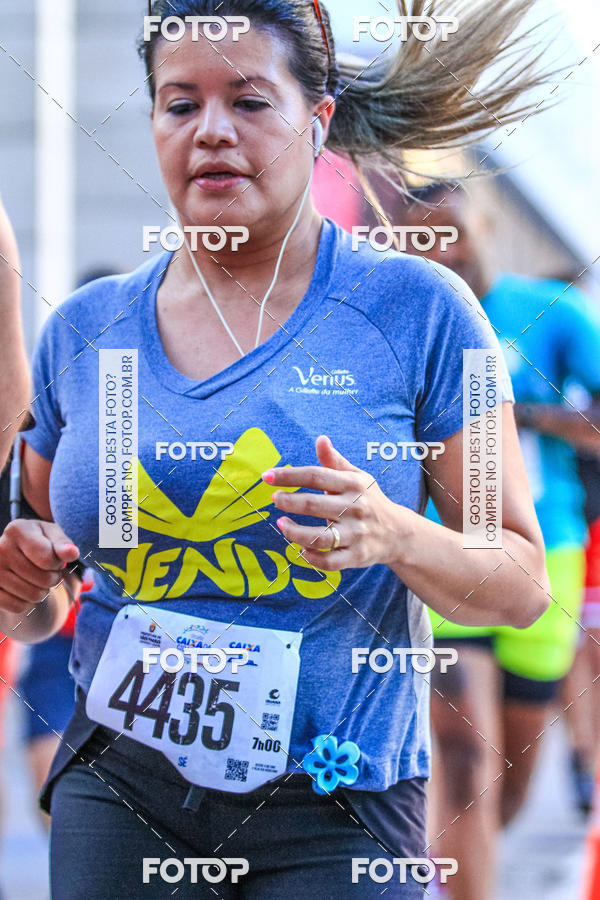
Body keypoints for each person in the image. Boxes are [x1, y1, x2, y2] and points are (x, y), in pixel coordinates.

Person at [0, 2, 554, 897]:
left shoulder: (423, 313)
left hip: (335, 807)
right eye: (181, 105)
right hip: (120, 789)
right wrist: (24, 583)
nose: (212, 131)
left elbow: (522, 581)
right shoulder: (86, 331)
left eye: (250, 101)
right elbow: (41, 597)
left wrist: (396, 534)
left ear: (318, 119)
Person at [394, 182, 600, 899]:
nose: (440, 249)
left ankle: (469, 861)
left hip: (547, 551)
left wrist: (519, 416)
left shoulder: (553, 312)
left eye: (451, 230)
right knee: (461, 755)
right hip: (448, 554)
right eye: (420, 237)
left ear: (486, 227)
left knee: (512, 776)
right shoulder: (409, 317)